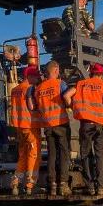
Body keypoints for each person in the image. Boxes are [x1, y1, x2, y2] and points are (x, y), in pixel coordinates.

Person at [65, 63, 103, 196]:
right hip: (101, 124)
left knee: (86, 155)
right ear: (102, 75)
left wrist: (74, 108)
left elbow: (66, 96)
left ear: (91, 74)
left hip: (85, 124)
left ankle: (90, 187)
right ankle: (101, 187)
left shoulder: (80, 84)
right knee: (100, 156)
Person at [32, 61, 72, 197]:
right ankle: (63, 184)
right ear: (55, 70)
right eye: (58, 70)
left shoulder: (38, 89)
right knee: (64, 154)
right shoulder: (60, 84)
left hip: (48, 126)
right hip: (61, 124)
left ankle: (52, 185)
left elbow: (35, 106)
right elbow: (67, 99)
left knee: (52, 156)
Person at [7, 66, 43, 196]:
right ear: (30, 77)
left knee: (22, 156)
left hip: (19, 128)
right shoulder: (30, 89)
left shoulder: (15, 89)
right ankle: (30, 185)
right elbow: (32, 106)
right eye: (36, 76)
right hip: (30, 126)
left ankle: (16, 183)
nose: (38, 78)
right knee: (33, 155)